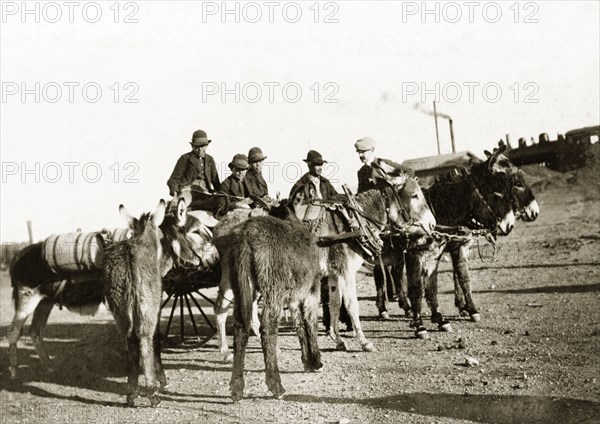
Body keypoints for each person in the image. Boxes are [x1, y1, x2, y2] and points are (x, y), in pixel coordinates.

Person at [289, 150, 352, 332]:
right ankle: (326, 321)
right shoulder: (301, 184)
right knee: (323, 279)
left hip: (328, 227)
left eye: (321, 165)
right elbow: (295, 207)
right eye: (316, 165)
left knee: (336, 277)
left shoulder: (325, 182)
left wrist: (343, 198)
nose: (319, 168)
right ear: (309, 165)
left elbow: (333, 195)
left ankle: (344, 318)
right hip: (312, 229)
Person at [355, 137, 409, 320]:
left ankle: (403, 299)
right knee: (378, 262)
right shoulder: (361, 172)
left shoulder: (383, 164)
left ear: (372, 150)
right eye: (359, 152)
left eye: (363, 152)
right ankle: (381, 305)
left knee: (398, 260)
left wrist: (397, 181)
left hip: (392, 218)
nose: (361, 155)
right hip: (375, 221)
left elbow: (407, 170)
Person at [167, 129, 220, 209]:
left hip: (205, 192)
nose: (200, 149)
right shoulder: (185, 158)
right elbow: (173, 179)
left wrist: (220, 192)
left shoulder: (210, 160)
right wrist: (175, 194)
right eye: (197, 147)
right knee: (180, 205)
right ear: (192, 146)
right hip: (188, 190)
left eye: (202, 146)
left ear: (206, 146)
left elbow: (216, 181)